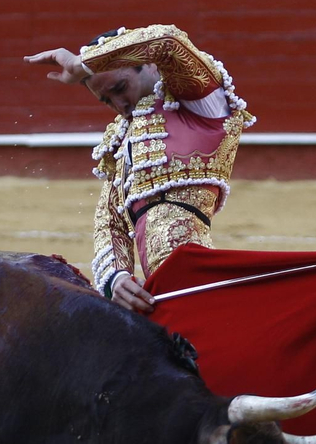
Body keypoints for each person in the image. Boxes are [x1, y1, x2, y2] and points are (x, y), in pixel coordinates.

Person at [22, 25, 254, 312]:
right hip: (158, 294)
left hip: (197, 277)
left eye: (120, 88)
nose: (119, 104)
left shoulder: (199, 101)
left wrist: (83, 64)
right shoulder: (122, 140)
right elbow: (110, 220)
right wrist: (117, 278)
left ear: (151, 65)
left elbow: (167, 40)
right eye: (107, 100)